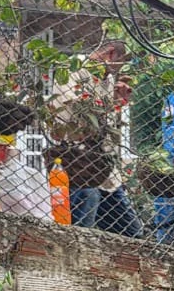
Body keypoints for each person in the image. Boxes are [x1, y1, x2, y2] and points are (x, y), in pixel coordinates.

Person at [49, 40, 142, 237]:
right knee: (81, 231)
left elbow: (103, 116)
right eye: (118, 64)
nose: (116, 71)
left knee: (133, 233)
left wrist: (117, 101)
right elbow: (74, 111)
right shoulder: (73, 69)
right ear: (109, 54)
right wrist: (104, 106)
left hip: (104, 168)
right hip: (77, 161)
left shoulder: (106, 79)